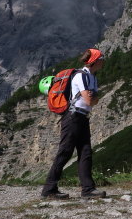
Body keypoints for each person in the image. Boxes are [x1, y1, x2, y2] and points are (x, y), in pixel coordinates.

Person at [41, 48, 107, 199]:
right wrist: (92, 97)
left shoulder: (92, 77)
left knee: (85, 152)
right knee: (65, 152)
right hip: (73, 116)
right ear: (95, 61)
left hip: (82, 116)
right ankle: (49, 189)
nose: (104, 61)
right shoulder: (81, 76)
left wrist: (92, 98)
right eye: (102, 58)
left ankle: (88, 189)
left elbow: (92, 99)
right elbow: (91, 100)